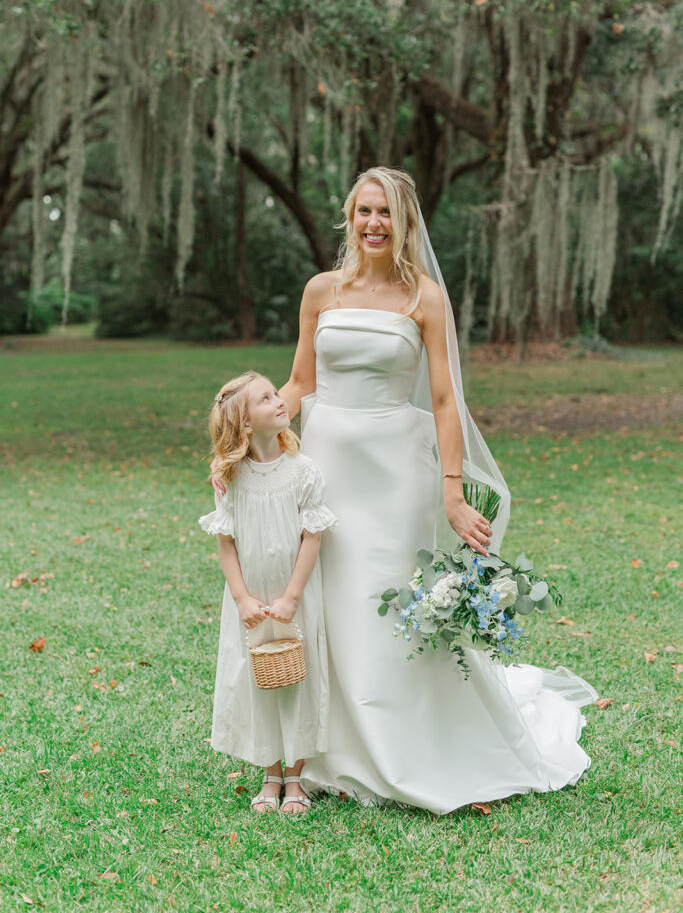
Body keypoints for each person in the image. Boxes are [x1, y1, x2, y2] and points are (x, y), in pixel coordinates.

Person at [214, 168, 597, 814]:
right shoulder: (321, 291)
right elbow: (300, 381)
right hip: (326, 460)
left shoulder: (423, 297)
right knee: (325, 598)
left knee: (380, 601)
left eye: (385, 213)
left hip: (395, 470)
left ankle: (398, 746)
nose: (372, 224)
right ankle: (317, 750)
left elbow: (445, 401)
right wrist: (238, 440)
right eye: (363, 211)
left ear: (404, 222)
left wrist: (451, 491)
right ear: (348, 215)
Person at [199, 371, 337, 815]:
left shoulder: (302, 471)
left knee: (297, 675)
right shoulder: (231, 478)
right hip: (252, 601)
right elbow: (227, 542)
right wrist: (242, 599)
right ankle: (270, 771)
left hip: (293, 597)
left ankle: (296, 777)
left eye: (276, 393)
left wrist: (292, 598)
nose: (280, 401)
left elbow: (312, 536)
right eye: (266, 399)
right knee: (259, 680)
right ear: (244, 424)